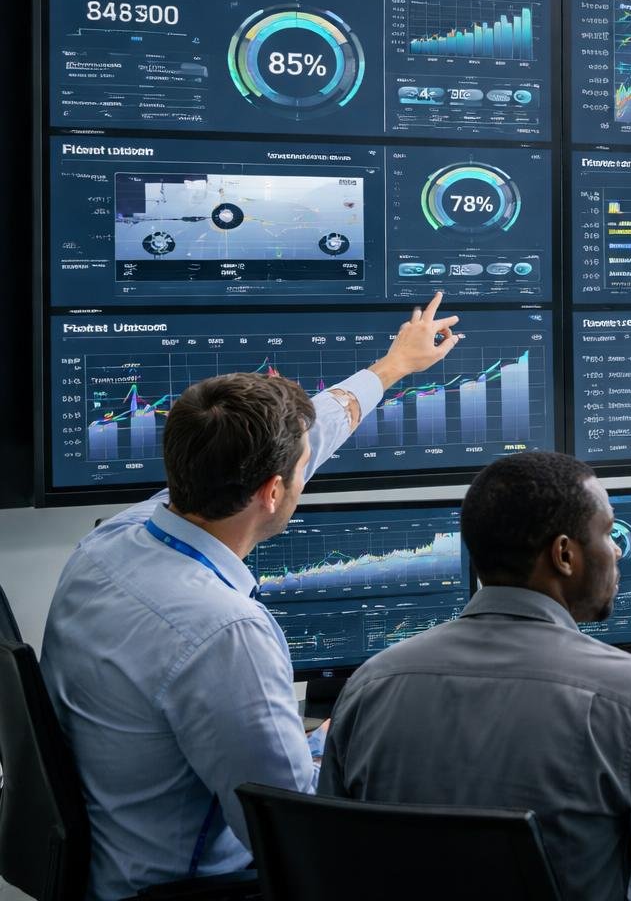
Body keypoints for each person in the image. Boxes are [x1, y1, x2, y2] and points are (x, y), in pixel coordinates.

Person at [41, 293, 462, 900]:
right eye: (299, 469)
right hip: (196, 889)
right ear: (271, 492)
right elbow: (293, 830)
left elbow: (314, 428)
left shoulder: (116, 540)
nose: (305, 473)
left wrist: (393, 367)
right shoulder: (225, 632)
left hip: (114, 861)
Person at [319, 453, 631, 901]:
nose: (617, 553)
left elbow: (331, 864)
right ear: (565, 555)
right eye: (608, 534)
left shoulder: (368, 686)